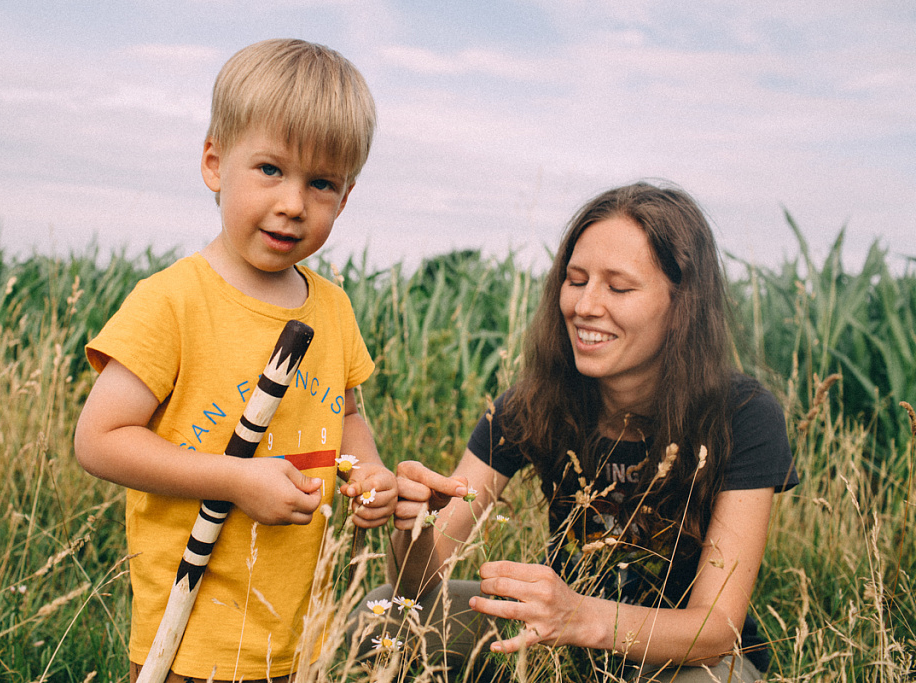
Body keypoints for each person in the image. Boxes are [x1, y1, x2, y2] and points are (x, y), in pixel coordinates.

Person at [74, 38, 397, 683]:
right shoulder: (171, 302)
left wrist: (371, 474)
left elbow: (348, 418)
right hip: (193, 636)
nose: (293, 203)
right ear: (214, 163)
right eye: (271, 170)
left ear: (347, 195)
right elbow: (100, 441)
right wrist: (236, 479)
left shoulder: (332, 309)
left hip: (302, 632)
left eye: (322, 183)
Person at [385, 182, 798, 681]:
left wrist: (581, 617)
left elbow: (715, 628)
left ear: (681, 307)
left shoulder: (744, 415)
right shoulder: (531, 404)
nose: (584, 305)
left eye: (619, 287)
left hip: (678, 660)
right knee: (384, 617)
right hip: (559, 643)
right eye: (575, 280)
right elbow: (414, 587)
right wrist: (415, 527)